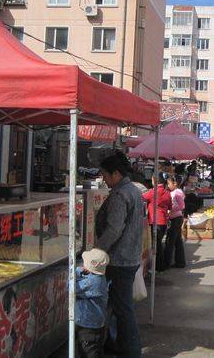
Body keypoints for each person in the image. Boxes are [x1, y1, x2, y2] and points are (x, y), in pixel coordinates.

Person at [95, 152, 144, 357]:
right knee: (121, 307)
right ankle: (116, 345)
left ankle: (131, 351)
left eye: (105, 175)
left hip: (120, 260)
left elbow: (114, 228)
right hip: (130, 256)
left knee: (123, 310)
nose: (103, 180)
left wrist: (98, 250)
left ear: (116, 174)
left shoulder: (120, 194)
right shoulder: (133, 190)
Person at [75, 248, 110, 358]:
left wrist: (75, 272)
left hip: (88, 327)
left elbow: (71, 288)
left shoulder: (92, 282)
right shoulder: (99, 277)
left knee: (88, 352)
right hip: (97, 325)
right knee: (96, 350)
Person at [143, 173, 172, 272]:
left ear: (154, 180)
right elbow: (170, 206)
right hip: (163, 221)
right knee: (159, 244)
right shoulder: (167, 193)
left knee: (156, 246)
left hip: (154, 221)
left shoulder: (152, 192)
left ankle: (158, 266)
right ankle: (160, 265)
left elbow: (141, 197)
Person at [164, 175, 186, 269]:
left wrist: (170, 209)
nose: (167, 185)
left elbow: (182, 206)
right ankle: (180, 262)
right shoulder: (175, 192)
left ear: (175, 183)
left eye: (169, 183)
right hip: (176, 218)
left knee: (170, 242)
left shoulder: (177, 193)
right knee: (177, 242)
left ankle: (166, 263)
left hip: (176, 219)